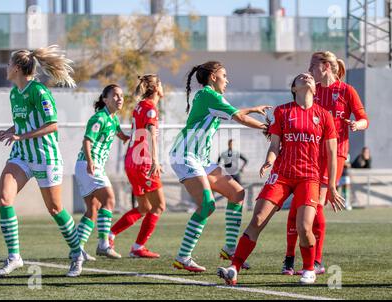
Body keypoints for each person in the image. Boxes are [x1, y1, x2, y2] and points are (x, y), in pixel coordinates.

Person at [217, 72, 345, 286]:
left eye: (310, 77)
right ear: (294, 88)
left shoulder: (324, 115)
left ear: (315, 88)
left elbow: (332, 154)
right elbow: (275, 146)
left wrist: (331, 185)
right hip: (281, 175)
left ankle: (308, 269)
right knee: (257, 220)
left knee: (304, 228)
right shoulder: (283, 111)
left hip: (309, 177)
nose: (307, 77)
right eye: (301, 77)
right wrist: (269, 161)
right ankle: (234, 268)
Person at [170, 61, 270, 272]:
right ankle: (183, 257)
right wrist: (268, 128)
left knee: (237, 194)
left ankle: (230, 249)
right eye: (224, 75)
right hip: (185, 155)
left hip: (201, 159)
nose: (228, 79)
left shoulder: (209, 96)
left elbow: (234, 113)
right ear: (213, 77)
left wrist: (252, 109)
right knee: (207, 205)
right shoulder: (210, 95)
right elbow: (239, 118)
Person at [0, 45, 84, 277]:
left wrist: (20, 135)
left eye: (8, 65)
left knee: (55, 209)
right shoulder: (14, 93)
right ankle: (14, 256)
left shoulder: (39, 91)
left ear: (16, 68)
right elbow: (23, 123)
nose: (6, 68)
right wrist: (9, 131)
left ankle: (77, 253)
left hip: (45, 157)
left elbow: (52, 125)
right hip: (21, 155)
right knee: (5, 200)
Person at [282, 51, 369, 276]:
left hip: (335, 154)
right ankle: (289, 258)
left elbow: (364, 118)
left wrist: (357, 125)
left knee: (316, 203)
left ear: (326, 67)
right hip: (308, 154)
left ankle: (316, 260)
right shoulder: (312, 90)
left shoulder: (346, 91)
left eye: (313, 66)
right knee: (297, 206)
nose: (309, 70)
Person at [108, 74, 166, 258]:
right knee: (159, 206)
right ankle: (138, 246)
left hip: (131, 161)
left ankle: (110, 235)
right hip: (144, 163)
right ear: (156, 88)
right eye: (161, 84)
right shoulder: (150, 108)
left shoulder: (139, 106)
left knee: (144, 207)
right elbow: (151, 134)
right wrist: (155, 160)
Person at [74, 84, 130, 260]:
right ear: (105, 99)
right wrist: (91, 162)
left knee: (93, 209)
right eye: (115, 95)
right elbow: (87, 141)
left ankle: (77, 249)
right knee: (110, 199)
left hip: (86, 166)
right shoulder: (99, 118)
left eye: (121, 95)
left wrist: (130, 136)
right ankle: (103, 244)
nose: (119, 98)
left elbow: (120, 134)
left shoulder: (113, 119)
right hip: (89, 164)